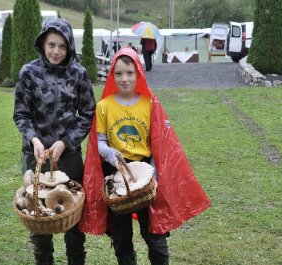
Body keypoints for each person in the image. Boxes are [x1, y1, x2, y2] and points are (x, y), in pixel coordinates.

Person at [79, 48, 210, 265]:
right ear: (112, 75)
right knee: (121, 236)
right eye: (118, 73)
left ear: (139, 73)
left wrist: (154, 176)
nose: (124, 78)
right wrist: (113, 156)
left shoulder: (149, 104)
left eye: (129, 72)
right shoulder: (104, 106)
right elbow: (100, 143)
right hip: (117, 175)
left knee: (154, 233)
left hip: (146, 172)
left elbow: (159, 145)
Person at [13, 18, 96, 265]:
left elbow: (88, 114)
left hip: (68, 158)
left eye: (62, 46)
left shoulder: (79, 74)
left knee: (72, 218)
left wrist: (66, 142)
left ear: (69, 47)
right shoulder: (28, 73)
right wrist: (34, 140)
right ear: (42, 44)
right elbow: (21, 114)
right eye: (51, 45)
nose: (56, 51)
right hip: (35, 156)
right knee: (38, 216)